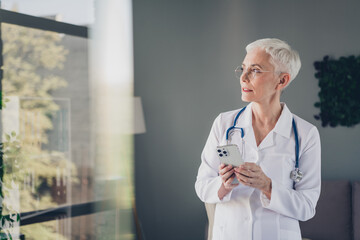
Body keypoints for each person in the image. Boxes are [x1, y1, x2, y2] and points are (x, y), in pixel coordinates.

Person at [195, 38, 321, 240]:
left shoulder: (306, 134)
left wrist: (268, 186)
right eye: (243, 68)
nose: (243, 77)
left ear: (282, 80)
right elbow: (202, 187)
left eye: (255, 70)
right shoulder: (224, 124)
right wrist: (223, 184)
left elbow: (306, 207)